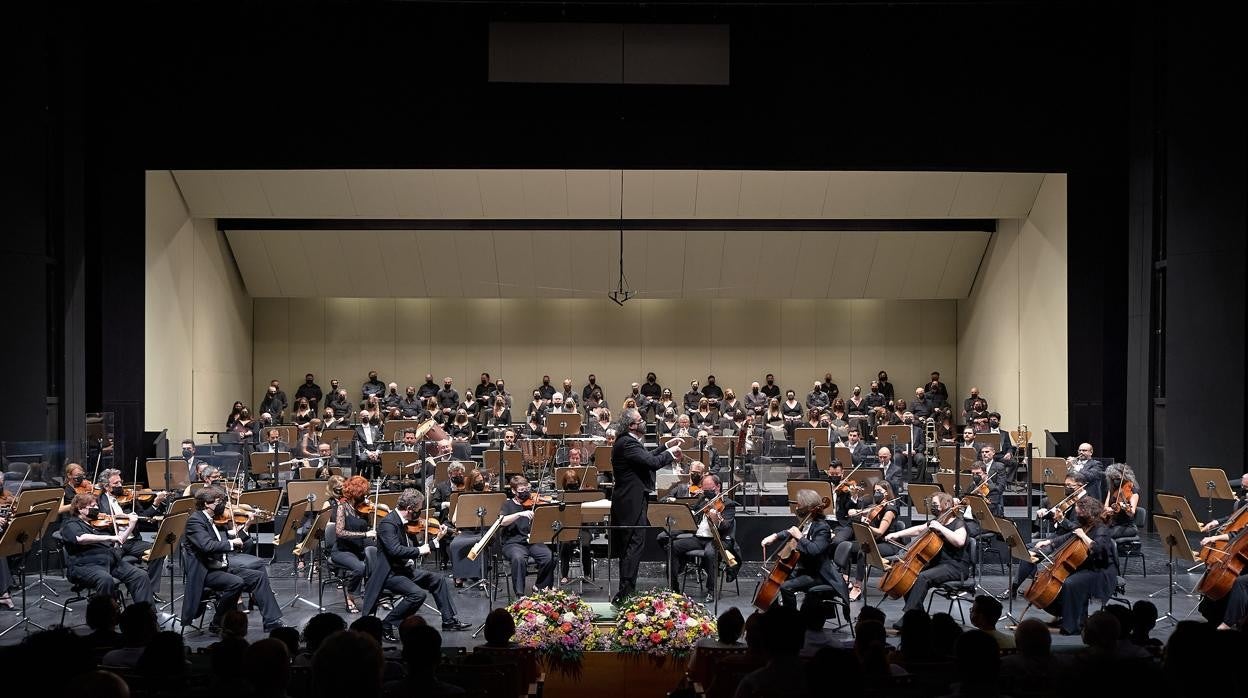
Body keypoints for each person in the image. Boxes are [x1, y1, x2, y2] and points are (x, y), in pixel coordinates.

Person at [362, 488, 471, 640]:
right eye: (419, 509)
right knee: (417, 594)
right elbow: (395, 551)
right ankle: (388, 623)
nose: (420, 513)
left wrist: (435, 541)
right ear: (409, 509)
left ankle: (449, 620)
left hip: (402, 570)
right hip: (389, 574)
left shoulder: (402, 522)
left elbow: (409, 547)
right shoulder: (388, 524)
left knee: (438, 580)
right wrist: (422, 549)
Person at [180, 487, 284, 632]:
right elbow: (207, 546)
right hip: (205, 572)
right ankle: (218, 621)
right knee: (236, 582)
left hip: (220, 567)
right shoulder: (195, 521)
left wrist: (240, 534)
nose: (222, 505)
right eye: (218, 502)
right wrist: (231, 543)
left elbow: (223, 541)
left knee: (258, 576)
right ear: (206, 504)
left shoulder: (210, 520)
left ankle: (271, 621)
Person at [610, 407, 680, 604]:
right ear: (632, 425)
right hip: (630, 502)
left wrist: (667, 447)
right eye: (640, 420)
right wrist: (671, 454)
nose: (644, 422)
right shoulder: (627, 443)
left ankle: (626, 590)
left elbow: (647, 456)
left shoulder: (629, 442)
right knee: (633, 546)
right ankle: (625, 592)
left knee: (633, 546)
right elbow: (652, 462)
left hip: (632, 500)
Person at [1030, 496, 1115, 635]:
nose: (1077, 516)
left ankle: (1072, 626)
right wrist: (1049, 542)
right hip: (1086, 566)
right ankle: (1072, 619)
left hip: (1100, 570)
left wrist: (1083, 536)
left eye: (1080, 513)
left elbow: (1098, 549)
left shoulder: (1101, 529)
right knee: (1065, 581)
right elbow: (1070, 536)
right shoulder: (1086, 525)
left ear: (1088, 513)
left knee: (1070, 583)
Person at [883, 490, 969, 628]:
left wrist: (941, 528)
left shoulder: (958, 524)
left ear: (946, 504)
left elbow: (959, 541)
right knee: (910, 576)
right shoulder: (936, 521)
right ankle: (918, 616)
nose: (932, 507)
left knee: (923, 577)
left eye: (935, 504)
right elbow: (919, 529)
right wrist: (896, 534)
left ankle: (909, 616)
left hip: (955, 566)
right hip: (939, 564)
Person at [759, 489, 848, 609]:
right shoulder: (807, 523)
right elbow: (790, 532)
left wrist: (799, 537)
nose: (797, 507)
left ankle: (792, 618)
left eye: (799, 505)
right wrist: (774, 536)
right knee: (775, 579)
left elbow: (814, 550)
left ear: (809, 507)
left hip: (819, 574)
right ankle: (775, 614)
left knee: (786, 587)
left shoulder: (822, 528)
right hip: (806, 569)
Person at [61, 492, 154, 605]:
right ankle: (107, 619)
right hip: (86, 565)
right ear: (80, 509)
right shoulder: (71, 524)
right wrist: (109, 537)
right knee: (105, 580)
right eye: (92, 506)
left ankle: (147, 614)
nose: (96, 508)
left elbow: (120, 540)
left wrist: (131, 526)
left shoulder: (99, 523)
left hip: (110, 561)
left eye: (96, 505)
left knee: (140, 575)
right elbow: (81, 538)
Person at [669, 473, 740, 603]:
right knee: (673, 546)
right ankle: (674, 588)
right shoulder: (703, 500)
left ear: (718, 487)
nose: (707, 494)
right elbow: (693, 512)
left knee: (710, 552)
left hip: (718, 539)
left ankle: (711, 591)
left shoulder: (728, 504)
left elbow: (726, 526)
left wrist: (717, 519)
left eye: (710, 491)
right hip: (700, 538)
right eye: (705, 490)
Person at [93, 468, 167, 584]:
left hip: (132, 542)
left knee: (158, 552)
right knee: (108, 560)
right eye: (116, 483)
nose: (120, 485)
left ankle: (150, 590)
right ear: (107, 487)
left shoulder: (129, 498)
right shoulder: (98, 501)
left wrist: (155, 503)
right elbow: (95, 523)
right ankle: (111, 593)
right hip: (113, 543)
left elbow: (143, 517)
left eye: (120, 482)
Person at [835, 480, 900, 602]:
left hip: (889, 544)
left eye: (879, 491)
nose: (876, 494)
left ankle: (857, 587)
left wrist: (867, 526)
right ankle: (845, 580)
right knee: (847, 546)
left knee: (863, 551)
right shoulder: (876, 506)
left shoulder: (890, 510)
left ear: (886, 493)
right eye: (875, 491)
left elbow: (880, 531)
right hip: (875, 541)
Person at [497, 475, 556, 596]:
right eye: (521, 491)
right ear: (513, 491)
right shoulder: (507, 505)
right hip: (513, 543)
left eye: (526, 489)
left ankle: (540, 587)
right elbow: (502, 521)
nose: (525, 493)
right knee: (518, 559)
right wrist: (520, 514)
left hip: (532, 541)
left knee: (548, 557)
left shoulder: (533, 502)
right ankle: (520, 594)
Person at [332, 475, 378, 613]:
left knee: (377, 562)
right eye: (363, 494)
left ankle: (379, 596)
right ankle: (350, 597)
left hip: (358, 548)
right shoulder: (342, 508)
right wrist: (365, 535)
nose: (365, 497)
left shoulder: (363, 509)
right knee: (359, 567)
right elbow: (340, 532)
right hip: (342, 550)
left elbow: (367, 527)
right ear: (355, 493)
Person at [1103, 462, 1140, 537]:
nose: (1115, 481)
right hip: (1112, 523)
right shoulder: (1111, 490)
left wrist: (1127, 508)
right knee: (1096, 532)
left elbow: (1131, 512)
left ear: (1126, 478)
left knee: (1106, 534)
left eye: (1118, 479)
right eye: (1113, 479)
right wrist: (1109, 510)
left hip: (1127, 526)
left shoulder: (1133, 493)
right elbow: (1105, 507)